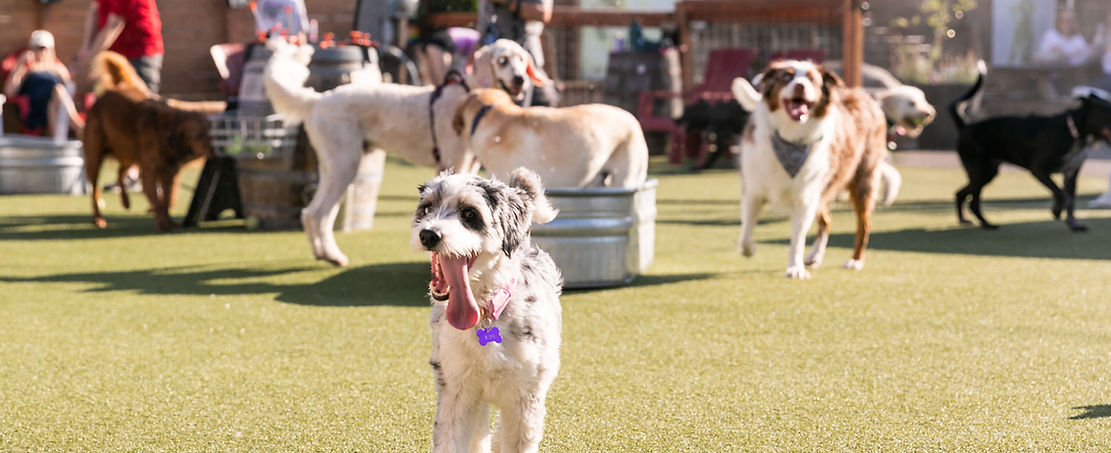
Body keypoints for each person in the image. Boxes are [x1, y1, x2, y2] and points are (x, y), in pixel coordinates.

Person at [3, 30, 84, 138]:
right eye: (38, 48)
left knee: (56, 96)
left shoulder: (56, 66)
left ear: (51, 50)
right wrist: (20, 65)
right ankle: (78, 124)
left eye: (45, 48)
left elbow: (70, 87)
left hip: (56, 105)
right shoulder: (26, 67)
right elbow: (9, 91)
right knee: (58, 91)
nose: (42, 52)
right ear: (31, 49)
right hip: (36, 106)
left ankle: (58, 142)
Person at [476, 0, 558, 106]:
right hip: (491, 61)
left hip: (524, 54)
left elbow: (543, 13)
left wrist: (509, 2)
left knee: (544, 100)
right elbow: (483, 27)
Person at [76, 0, 164, 94]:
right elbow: (94, 9)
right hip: (115, 55)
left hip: (139, 53)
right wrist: (86, 48)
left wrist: (91, 57)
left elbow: (114, 24)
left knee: (143, 100)